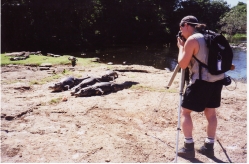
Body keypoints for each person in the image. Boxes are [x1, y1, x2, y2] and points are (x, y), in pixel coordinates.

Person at [176, 15, 225, 158]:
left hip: (201, 82)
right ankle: (208, 147)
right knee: (211, 113)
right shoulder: (210, 36)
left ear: (186, 25)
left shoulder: (192, 40)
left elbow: (183, 64)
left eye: (181, 27)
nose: (180, 30)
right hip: (217, 80)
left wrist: (181, 47)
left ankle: (188, 147)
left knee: (185, 112)